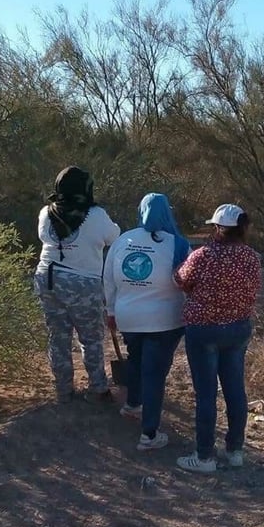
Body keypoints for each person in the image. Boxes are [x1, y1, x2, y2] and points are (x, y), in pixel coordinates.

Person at [173, 204, 261, 473]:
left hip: (204, 330)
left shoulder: (202, 256)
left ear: (219, 228)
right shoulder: (251, 258)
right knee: (235, 390)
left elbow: (180, 280)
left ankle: (204, 457)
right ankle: (235, 450)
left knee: (206, 394)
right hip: (237, 329)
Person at [103, 193, 189, 451]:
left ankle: (132, 404)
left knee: (137, 360)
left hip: (128, 316)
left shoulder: (122, 240)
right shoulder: (179, 244)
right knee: (155, 373)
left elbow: (108, 278)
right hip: (165, 320)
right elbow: (188, 282)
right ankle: (149, 434)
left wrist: (110, 310)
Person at [34, 166, 121, 404]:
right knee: (91, 337)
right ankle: (98, 388)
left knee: (58, 337)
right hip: (82, 281)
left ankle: (63, 391)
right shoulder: (96, 215)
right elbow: (114, 237)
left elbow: (44, 237)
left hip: (48, 278)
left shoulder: (45, 213)